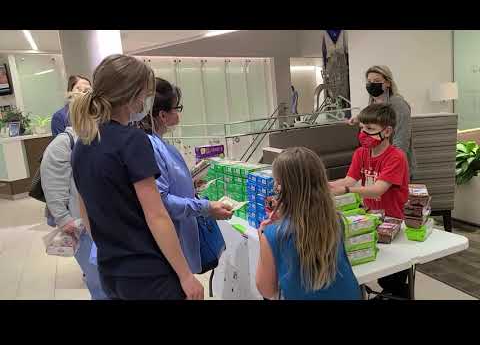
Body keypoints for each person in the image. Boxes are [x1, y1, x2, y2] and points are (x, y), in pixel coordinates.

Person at [70, 54, 204, 300]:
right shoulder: (133, 141)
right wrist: (186, 276)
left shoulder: (82, 143)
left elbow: (85, 209)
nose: (146, 100)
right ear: (133, 95)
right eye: (145, 93)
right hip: (148, 275)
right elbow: (157, 215)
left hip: (110, 272)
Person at [138, 78, 233, 274]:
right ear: (163, 115)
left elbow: (166, 184)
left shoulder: (160, 144)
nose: (179, 113)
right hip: (171, 243)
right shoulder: (150, 147)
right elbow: (161, 201)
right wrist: (206, 207)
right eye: (177, 108)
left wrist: (190, 185)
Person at [255, 147, 361, 300]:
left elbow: (267, 290)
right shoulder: (336, 220)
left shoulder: (272, 234)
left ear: (281, 187)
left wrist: (264, 236)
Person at [330, 104, 410, 298]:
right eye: (363, 128)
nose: (364, 133)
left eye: (371, 129)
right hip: (370, 219)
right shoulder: (361, 153)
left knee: (392, 277)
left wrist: (347, 190)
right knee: (369, 267)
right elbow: (348, 179)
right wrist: (321, 185)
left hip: (392, 221)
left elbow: (377, 190)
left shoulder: (396, 157)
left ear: (388, 131)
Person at [40, 126, 107, 300]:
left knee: (108, 279)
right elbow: (53, 186)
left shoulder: (97, 137)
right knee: (98, 281)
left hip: (101, 224)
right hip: (80, 227)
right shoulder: (63, 143)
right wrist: (64, 219)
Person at [348, 65, 416, 178]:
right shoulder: (374, 102)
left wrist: (392, 164)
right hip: (376, 164)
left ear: (388, 83)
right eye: (369, 81)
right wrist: (358, 119)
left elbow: (402, 139)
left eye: (377, 81)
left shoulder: (399, 105)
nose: (371, 84)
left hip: (394, 165)